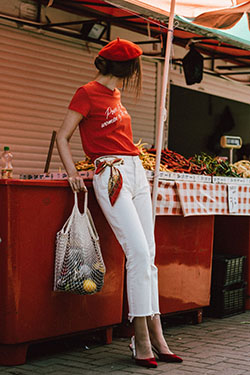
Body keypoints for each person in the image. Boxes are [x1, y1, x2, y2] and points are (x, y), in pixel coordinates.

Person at [56, 38, 182, 369]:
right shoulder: (86, 93)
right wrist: (72, 172)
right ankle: (140, 336)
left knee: (149, 254)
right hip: (110, 174)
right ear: (125, 68)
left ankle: (156, 330)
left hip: (136, 172)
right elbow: (62, 135)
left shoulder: (116, 95)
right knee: (138, 253)